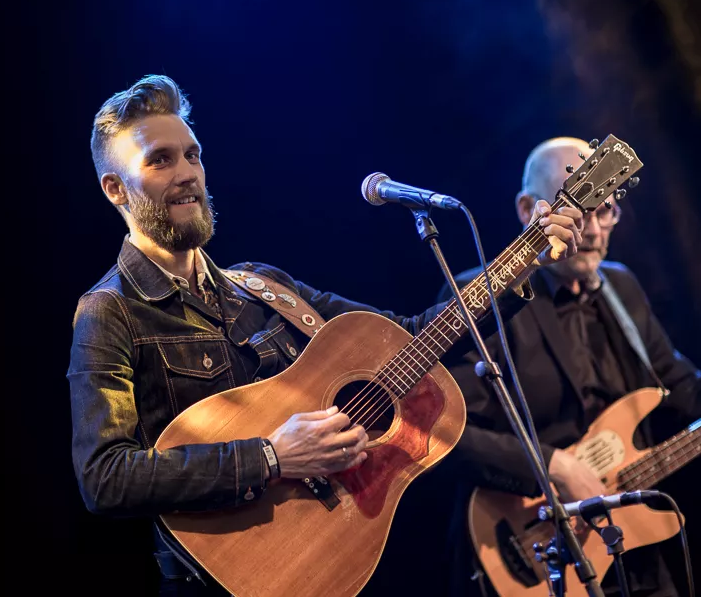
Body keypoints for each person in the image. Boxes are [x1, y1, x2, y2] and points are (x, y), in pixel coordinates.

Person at [66, 75, 585, 595]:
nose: (187, 174)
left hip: (323, 558)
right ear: (115, 189)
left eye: (192, 155)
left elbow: (409, 338)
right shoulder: (110, 310)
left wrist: (525, 261)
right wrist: (271, 456)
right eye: (160, 160)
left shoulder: (263, 285)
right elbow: (105, 477)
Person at [433, 136, 701, 597]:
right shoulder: (481, 300)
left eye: (606, 210)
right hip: (535, 552)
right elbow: (444, 430)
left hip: (633, 550)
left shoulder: (622, 286)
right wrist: (553, 465)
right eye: (580, 212)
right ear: (527, 210)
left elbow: (680, 387)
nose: (593, 231)